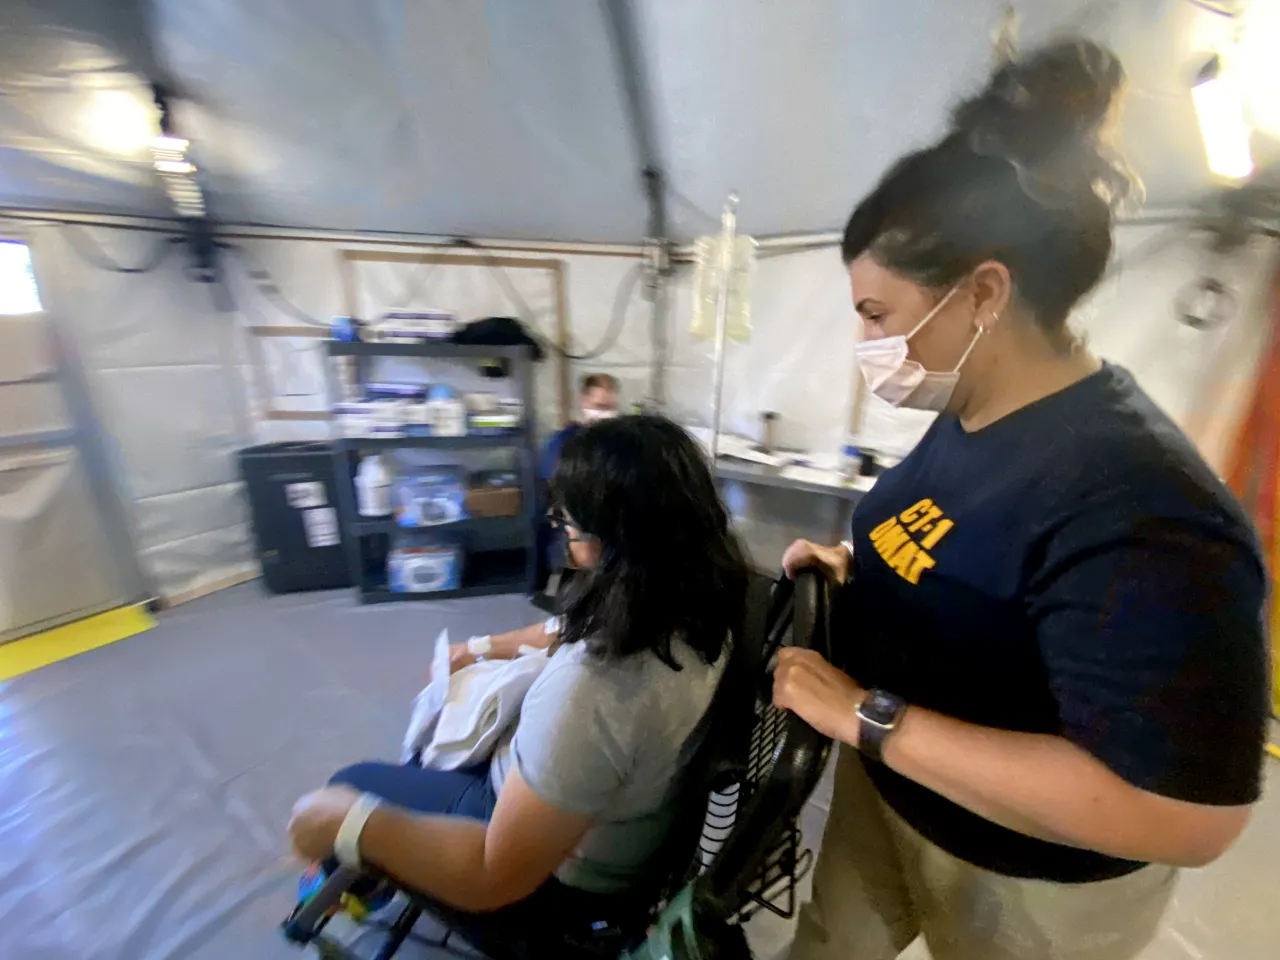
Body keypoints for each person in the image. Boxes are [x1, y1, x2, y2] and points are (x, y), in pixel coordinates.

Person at [771, 40, 1270, 960]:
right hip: (895, 798)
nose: (865, 340)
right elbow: (974, 561)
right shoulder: (969, 412)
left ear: (983, 294)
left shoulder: (1142, 504)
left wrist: (866, 717)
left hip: (1029, 879)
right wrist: (863, 571)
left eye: (877, 314)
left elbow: (1185, 816)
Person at [288, 415, 750, 949]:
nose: (565, 537)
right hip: (616, 847)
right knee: (420, 765)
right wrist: (480, 648)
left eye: (567, 523)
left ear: (602, 540)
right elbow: (563, 631)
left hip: (550, 899)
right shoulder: (698, 608)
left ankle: (351, 880)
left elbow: (494, 876)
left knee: (356, 781)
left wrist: (349, 824)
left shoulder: (597, 688)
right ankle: (373, 866)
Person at [534, 373, 621, 593]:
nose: (605, 413)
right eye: (599, 406)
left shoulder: (617, 441)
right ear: (584, 401)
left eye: (610, 407)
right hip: (574, 523)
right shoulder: (563, 442)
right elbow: (556, 493)